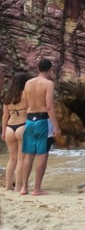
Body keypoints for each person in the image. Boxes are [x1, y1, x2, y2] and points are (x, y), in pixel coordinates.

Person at [20, 59, 60, 195]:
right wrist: (56, 126)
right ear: (50, 70)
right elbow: (49, 106)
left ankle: (24, 187)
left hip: (30, 120)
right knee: (42, 154)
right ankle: (37, 189)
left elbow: (25, 104)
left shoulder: (28, 83)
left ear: (38, 68)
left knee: (29, 155)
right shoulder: (48, 84)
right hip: (43, 120)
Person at [1, 72, 30, 191]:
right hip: (22, 126)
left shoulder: (7, 97)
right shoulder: (26, 94)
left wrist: (3, 132)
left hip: (9, 128)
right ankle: (18, 187)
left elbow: (4, 116)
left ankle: (8, 186)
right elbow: (30, 111)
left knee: (12, 159)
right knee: (21, 159)